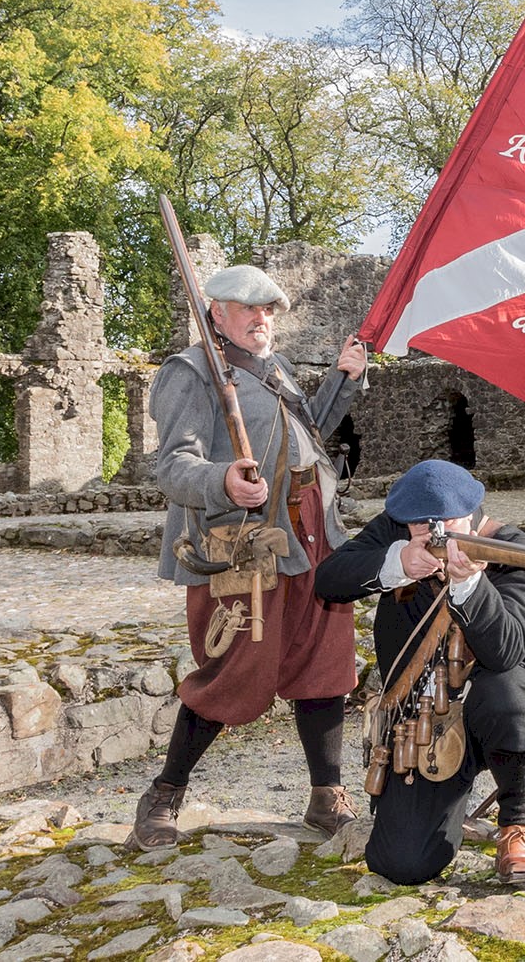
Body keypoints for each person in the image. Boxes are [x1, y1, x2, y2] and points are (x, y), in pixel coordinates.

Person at [129, 264, 368, 850]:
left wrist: (344, 378)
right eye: (248, 310)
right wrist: (223, 481)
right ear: (218, 314)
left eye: (267, 311)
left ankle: (325, 795)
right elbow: (172, 466)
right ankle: (163, 794)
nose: (261, 321)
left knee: (323, 660)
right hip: (242, 536)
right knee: (234, 665)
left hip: (312, 529)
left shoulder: (274, 369)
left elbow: (309, 432)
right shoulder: (189, 373)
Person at [316, 461, 525, 886]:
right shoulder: (396, 532)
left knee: (510, 688)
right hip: (421, 723)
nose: (435, 534)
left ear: (471, 514)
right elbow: (330, 579)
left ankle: (517, 823)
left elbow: (506, 650)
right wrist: (399, 562)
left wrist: (470, 586)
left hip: (492, 707)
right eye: (420, 528)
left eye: (446, 523)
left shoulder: (510, 547)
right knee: (403, 863)